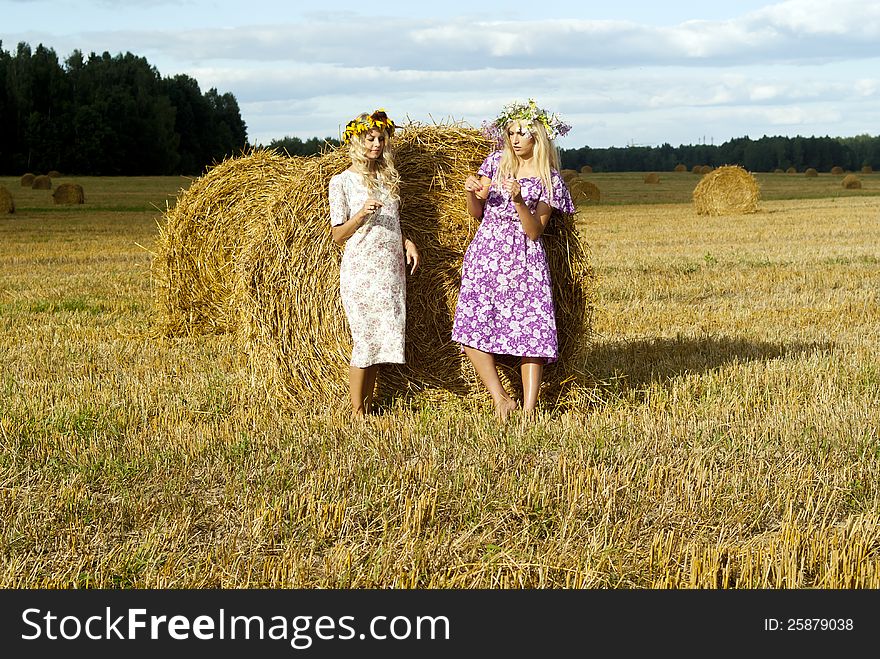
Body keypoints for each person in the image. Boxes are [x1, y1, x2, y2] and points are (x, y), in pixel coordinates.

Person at [452, 99, 574, 420]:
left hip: (525, 259)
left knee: (532, 333)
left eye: (522, 133)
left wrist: (520, 200)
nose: (515, 139)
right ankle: (501, 398)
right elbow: (475, 212)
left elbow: (534, 232)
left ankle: (530, 409)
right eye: (511, 133)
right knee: (471, 329)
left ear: (539, 135)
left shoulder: (550, 180)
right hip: (486, 254)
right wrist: (471, 192)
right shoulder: (494, 163)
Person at [329, 109, 420, 419]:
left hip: (390, 270)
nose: (377, 144)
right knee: (364, 339)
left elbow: (394, 221)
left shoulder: (388, 178)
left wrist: (406, 242)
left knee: (381, 339)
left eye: (381, 139)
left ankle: (367, 405)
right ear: (356, 140)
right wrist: (361, 214)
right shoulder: (341, 182)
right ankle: (356, 412)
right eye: (370, 138)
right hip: (361, 269)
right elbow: (338, 234)